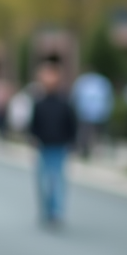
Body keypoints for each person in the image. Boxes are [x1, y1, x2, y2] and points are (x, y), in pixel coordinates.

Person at [28, 62, 77, 227]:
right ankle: (47, 210)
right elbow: (33, 125)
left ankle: (55, 211)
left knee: (56, 181)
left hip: (59, 147)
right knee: (44, 181)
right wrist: (34, 138)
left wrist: (70, 141)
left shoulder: (64, 103)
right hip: (44, 146)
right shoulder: (39, 103)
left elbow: (71, 124)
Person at [71, 69, 113, 159]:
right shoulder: (102, 81)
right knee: (95, 134)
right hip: (96, 113)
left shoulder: (82, 81)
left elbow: (75, 97)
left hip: (87, 113)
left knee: (87, 133)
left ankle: (88, 150)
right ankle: (92, 150)